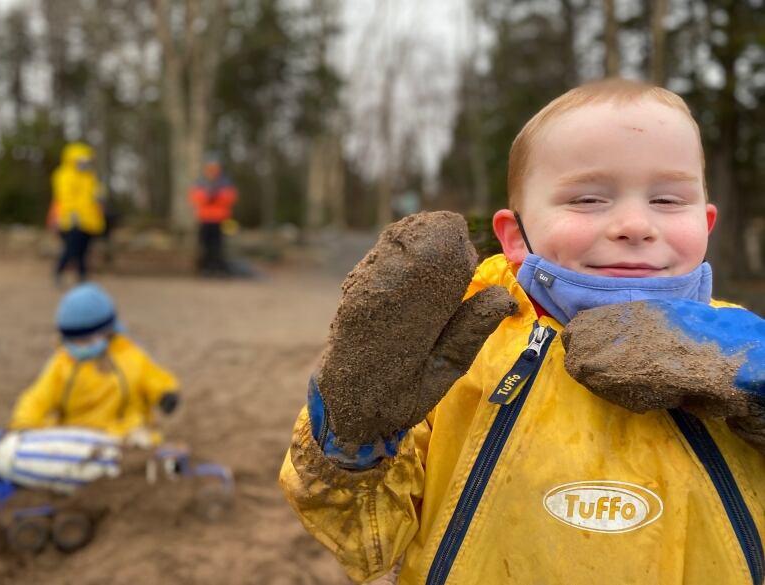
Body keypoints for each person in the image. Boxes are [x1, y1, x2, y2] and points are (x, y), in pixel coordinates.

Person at [279, 79, 765, 585]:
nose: (635, 224)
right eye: (589, 199)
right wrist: (349, 446)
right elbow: (365, 542)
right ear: (515, 235)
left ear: (706, 223)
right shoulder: (457, 351)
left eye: (667, 200)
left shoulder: (746, 355)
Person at [10, 283, 180, 447]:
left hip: (125, 433)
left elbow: (152, 376)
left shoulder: (128, 354)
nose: (83, 346)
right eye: (76, 341)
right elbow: (38, 397)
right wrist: (24, 423)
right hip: (76, 436)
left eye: (88, 339)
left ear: (108, 331)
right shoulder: (62, 364)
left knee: (144, 440)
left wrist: (165, 393)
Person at [51, 143, 105, 286]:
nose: (86, 164)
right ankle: (58, 272)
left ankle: (82, 277)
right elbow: (65, 199)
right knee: (71, 249)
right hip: (72, 220)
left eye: (87, 161)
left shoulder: (90, 177)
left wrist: (99, 199)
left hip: (90, 220)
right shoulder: (64, 175)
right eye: (83, 161)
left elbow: (96, 195)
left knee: (83, 251)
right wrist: (72, 216)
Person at [188, 153, 238, 276]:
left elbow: (231, 197)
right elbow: (194, 197)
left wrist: (216, 197)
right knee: (205, 245)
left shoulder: (225, 182)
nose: (212, 169)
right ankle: (205, 268)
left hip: (221, 219)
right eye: (210, 166)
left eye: (215, 166)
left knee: (219, 245)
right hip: (205, 219)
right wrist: (207, 197)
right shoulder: (201, 181)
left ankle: (219, 268)